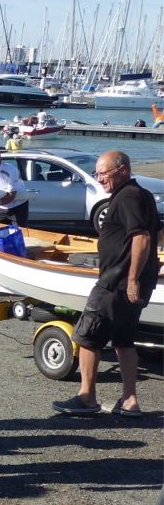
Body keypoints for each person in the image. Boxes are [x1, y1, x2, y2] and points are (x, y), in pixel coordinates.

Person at [53, 151, 161, 417]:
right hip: (129, 282)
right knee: (124, 341)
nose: (99, 179)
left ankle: (87, 398)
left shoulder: (127, 197)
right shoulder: (143, 194)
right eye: (97, 174)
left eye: (104, 173)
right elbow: (157, 233)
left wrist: (134, 277)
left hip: (117, 282)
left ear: (122, 170)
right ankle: (129, 401)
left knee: (88, 337)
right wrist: (150, 266)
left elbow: (143, 237)